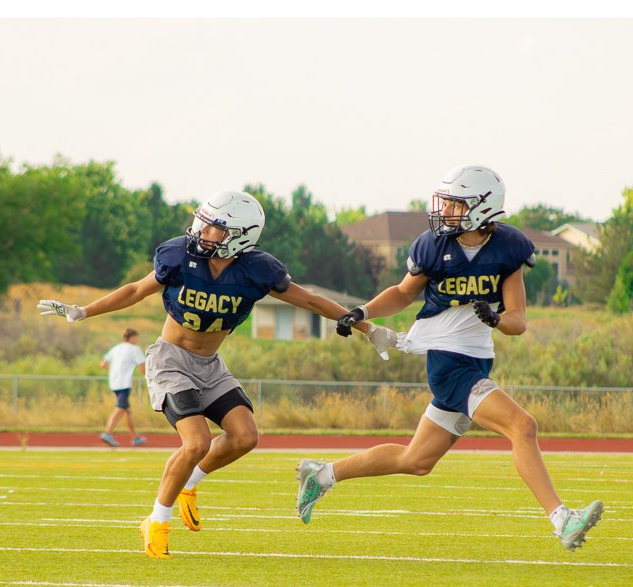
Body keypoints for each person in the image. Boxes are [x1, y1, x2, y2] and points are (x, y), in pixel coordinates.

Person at [40, 190, 398, 559]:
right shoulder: (180, 256)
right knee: (196, 443)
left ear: (240, 236)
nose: (202, 231)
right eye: (204, 223)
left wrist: (365, 327)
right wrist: (83, 311)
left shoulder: (257, 270)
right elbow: (135, 290)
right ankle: (157, 520)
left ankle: (189, 484)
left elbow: (309, 299)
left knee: (245, 436)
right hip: (170, 360)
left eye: (214, 227)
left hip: (210, 365)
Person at [295, 165, 604, 551]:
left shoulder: (508, 248)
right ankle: (562, 519)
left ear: (482, 207)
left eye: (456, 204)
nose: (446, 211)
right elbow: (403, 293)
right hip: (448, 364)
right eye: (447, 203)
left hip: (476, 361)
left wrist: (496, 319)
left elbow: (518, 321)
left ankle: (322, 475)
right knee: (523, 426)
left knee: (416, 460)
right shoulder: (433, 245)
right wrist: (363, 311)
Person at [99, 328, 147, 447]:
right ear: (132, 337)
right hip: (124, 383)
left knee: (127, 411)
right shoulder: (135, 349)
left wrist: (114, 371)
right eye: (136, 338)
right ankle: (107, 433)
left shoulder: (116, 348)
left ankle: (135, 437)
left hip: (114, 382)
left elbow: (103, 364)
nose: (137, 340)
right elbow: (143, 368)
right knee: (120, 408)